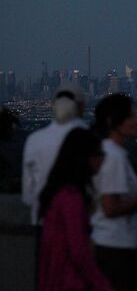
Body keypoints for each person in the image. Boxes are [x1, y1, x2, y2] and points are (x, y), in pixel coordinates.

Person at [21, 83, 87, 290]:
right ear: (81, 107)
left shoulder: (35, 140)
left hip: (44, 224)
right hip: (81, 226)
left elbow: (27, 194)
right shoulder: (88, 139)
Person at [38, 128, 112, 291]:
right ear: (85, 158)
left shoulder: (58, 194)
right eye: (99, 154)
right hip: (70, 281)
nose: (102, 160)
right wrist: (102, 284)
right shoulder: (71, 198)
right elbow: (78, 250)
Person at [91, 94, 137, 291]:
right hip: (117, 249)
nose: (136, 121)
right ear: (112, 122)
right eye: (131, 117)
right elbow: (110, 207)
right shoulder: (113, 156)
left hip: (109, 245)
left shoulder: (106, 152)